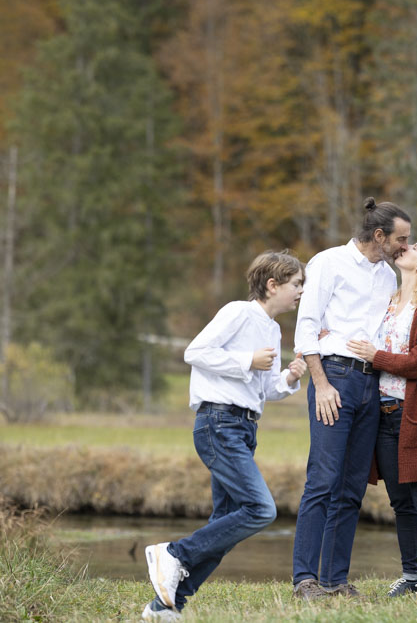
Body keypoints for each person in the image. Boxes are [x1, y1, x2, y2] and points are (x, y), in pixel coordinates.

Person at [141, 251, 308, 622]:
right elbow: (195, 352)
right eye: (297, 284)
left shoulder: (272, 329)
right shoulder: (238, 312)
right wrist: (247, 360)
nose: (300, 292)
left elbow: (265, 389)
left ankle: (164, 608)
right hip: (219, 423)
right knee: (261, 509)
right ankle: (174, 554)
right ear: (273, 285)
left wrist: (289, 377)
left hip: (244, 427)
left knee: (225, 526)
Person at [291, 198, 412, 599]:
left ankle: (334, 580)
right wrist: (322, 384)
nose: (405, 246)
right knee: (322, 480)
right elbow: (307, 326)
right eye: (401, 239)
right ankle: (304, 579)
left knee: (352, 486)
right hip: (335, 379)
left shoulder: (388, 277)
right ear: (379, 235)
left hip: (371, 384)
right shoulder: (328, 262)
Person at [346, 238, 417, 599]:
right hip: (382, 415)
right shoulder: (388, 302)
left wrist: (376, 357)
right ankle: (411, 574)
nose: (406, 247)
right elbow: (361, 336)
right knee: (400, 503)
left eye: (415, 248)